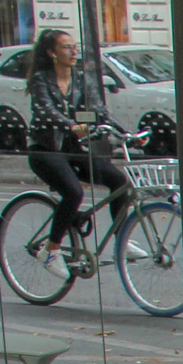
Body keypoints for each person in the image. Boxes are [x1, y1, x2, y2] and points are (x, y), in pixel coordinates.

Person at [24, 28, 131, 279]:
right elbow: (46, 111)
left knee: (119, 181)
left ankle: (121, 240)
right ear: (51, 53)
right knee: (73, 192)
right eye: (66, 47)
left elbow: (99, 110)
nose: (73, 52)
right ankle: (51, 250)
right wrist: (70, 125)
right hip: (45, 151)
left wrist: (125, 132)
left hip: (73, 149)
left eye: (75, 47)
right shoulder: (41, 79)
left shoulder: (81, 79)